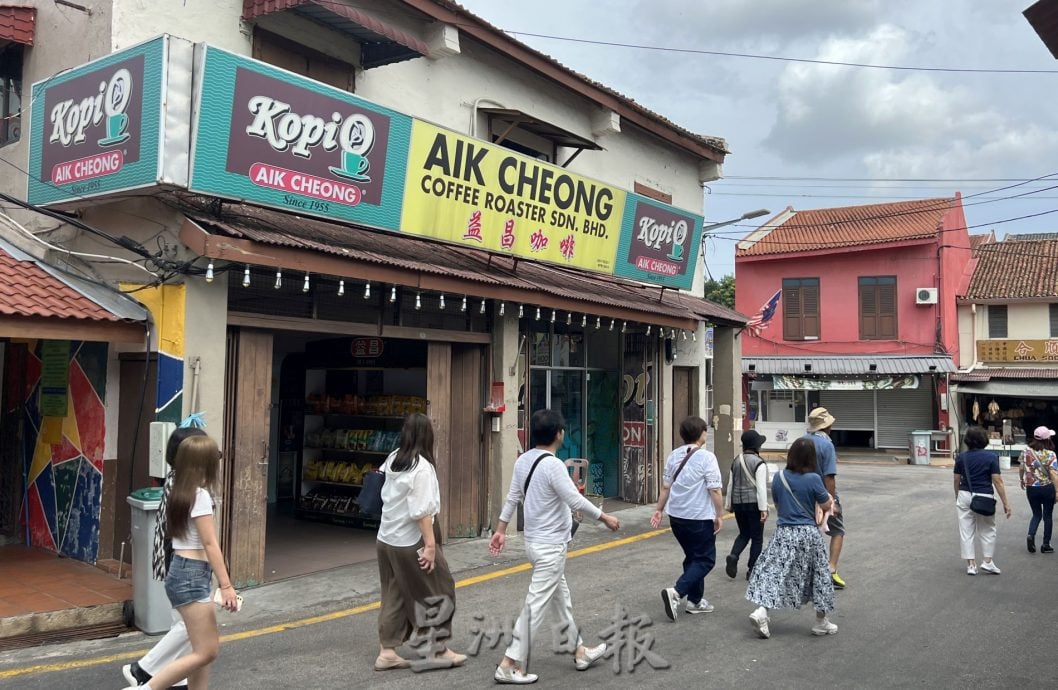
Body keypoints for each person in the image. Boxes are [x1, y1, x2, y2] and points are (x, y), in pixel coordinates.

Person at [490, 409, 621, 685]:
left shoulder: (523, 461)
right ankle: (509, 663)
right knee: (535, 605)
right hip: (550, 548)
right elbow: (575, 500)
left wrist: (501, 530)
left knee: (561, 601)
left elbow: (513, 498)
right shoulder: (553, 466)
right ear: (559, 434)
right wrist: (605, 517)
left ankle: (580, 651)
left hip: (535, 545)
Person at [123, 435, 239, 690]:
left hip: (182, 571)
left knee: (200, 650)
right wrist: (227, 585)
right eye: (215, 458)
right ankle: (144, 687)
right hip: (192, 574)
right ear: (205, 464)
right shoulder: (200, 496)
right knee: (206, 652)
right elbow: (210, 544)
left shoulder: (178, 490)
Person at [374, 413, 465, 671]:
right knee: (441, 589)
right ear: (428, 436)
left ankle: (388, 651)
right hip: (411, 540)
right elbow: (421, 512)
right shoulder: (422, 467)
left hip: (386, 538)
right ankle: (437, 648)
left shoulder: (393, 458)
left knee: (396, 593)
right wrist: (430, 546)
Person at [746, 437, 837, 639]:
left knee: (776, 573)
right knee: (819, 576)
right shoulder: (813, 479)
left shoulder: (779, 477)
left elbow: (777, 505)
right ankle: (821, 621)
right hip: (807, 534)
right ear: (811, 458)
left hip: (783, 532)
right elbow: (824, 504)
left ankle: (762, 611)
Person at [650, 416, 724, 620]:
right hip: (698, 517)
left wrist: (659, 509)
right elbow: (715, 490)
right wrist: (720, 514)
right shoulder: (707, 458)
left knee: (693, 557)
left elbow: (666, 486)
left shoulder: (674, 455)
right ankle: (677, 592)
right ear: (701, 433)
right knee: (706, 559)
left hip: (676, 517)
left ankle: (695, 601)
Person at [954, 426, 1012, 575]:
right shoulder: (991, 457)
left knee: (966, 530)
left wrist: (958, 495)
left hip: (965, 494)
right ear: (984, 440)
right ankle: (987, 561)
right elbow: (997, 481)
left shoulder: (961, 457)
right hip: (984, 496)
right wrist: (1006, 502)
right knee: (988, 529)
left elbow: (956, 479)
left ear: (967, 441)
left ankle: (971, 565)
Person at [804, 407, 846, 589]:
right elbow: (829, 477)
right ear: (826, 427)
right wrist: (832, 502)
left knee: (809, 532)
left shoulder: (801, 441)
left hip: (802, 495)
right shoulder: (826, 445)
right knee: (837, 531)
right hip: (821, 494)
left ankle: (807, 571)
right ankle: (831, 570)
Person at [724, 429, 770, 581]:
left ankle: (734, 555)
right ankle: (752, 569)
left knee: (744, 533)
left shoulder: (736, 460)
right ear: (756, 446)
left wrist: (729, 504)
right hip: (754, 505)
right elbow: (761, 488)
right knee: (757, 538)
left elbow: (730, 484)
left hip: (738, 504)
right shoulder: (759, 463)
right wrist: (763, 509)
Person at [1019, 426, 1058, 554]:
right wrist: (1057, 491)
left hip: (1031, 488)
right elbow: (1053, 474)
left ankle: (1031, 535)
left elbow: (1021, 468)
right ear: (1047, 439)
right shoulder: (1050, 454)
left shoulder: (1026, 451)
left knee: (1036, 514)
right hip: (1047, 488)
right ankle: (1046, 545)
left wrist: (1021, 480)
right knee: (1047, 516)